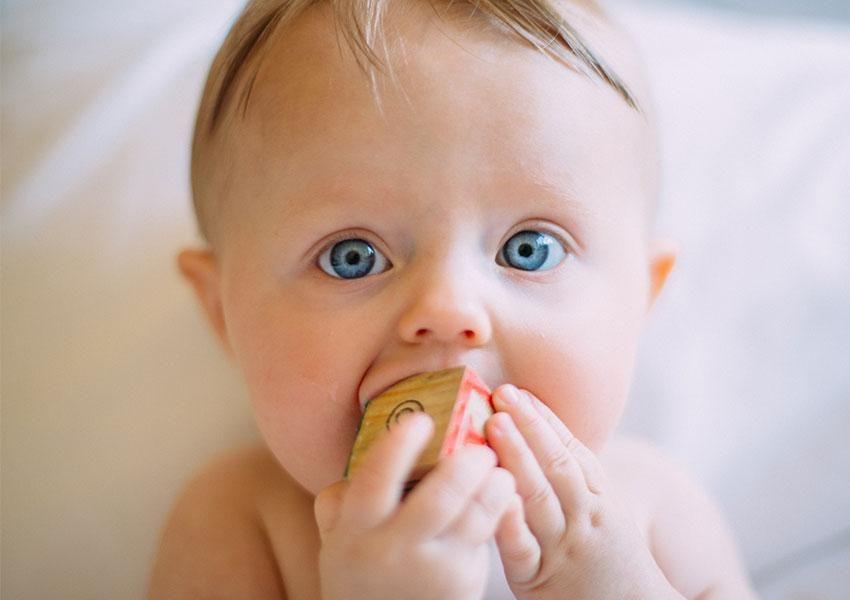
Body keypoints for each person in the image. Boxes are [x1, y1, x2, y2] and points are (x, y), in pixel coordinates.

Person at [148, 0, 756, 597]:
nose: (447, 309)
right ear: (223, 313)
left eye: (530, 249)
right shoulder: (241, 522)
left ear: (639, 302)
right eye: (351, 257)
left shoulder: (654, 510)